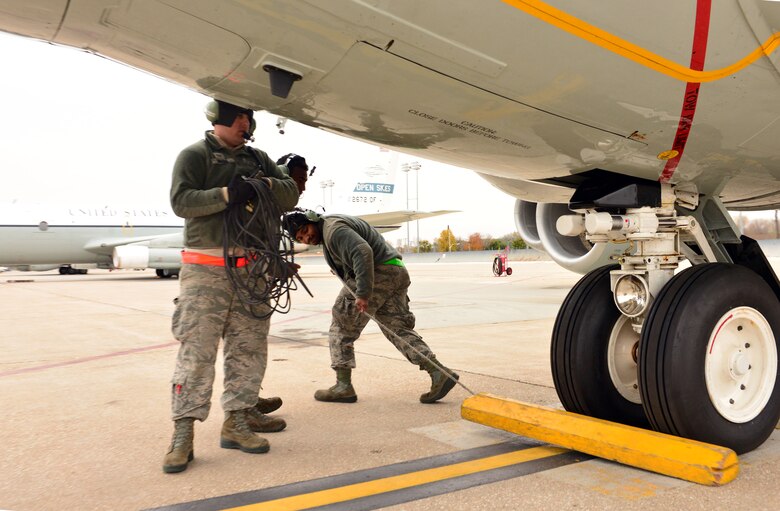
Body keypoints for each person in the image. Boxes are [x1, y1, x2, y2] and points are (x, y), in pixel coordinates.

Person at [163, 100, 300, 474]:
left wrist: (264, 184)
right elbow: (181, 201)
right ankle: (183, 434)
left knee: (249, 349)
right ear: (218, 119)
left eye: (249, 117)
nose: (245, 123)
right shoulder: (194, 156)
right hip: (206, 272)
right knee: (197, 355)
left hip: (252, 271)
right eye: (238, 117)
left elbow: (290, 193)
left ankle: (238, 421)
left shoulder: (258, 158)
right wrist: (227, 195)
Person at [282, 210, 459, 404]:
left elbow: (362, 251)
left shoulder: (334, 231)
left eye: (305, 230)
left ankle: (343, 387)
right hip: (395, 270)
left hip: (378, 273)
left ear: (313, 220)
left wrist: (363, 292)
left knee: (341, 326)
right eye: (301, 238)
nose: (307, 238)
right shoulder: (331, 228)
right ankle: (438, 373)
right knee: (397, 329)